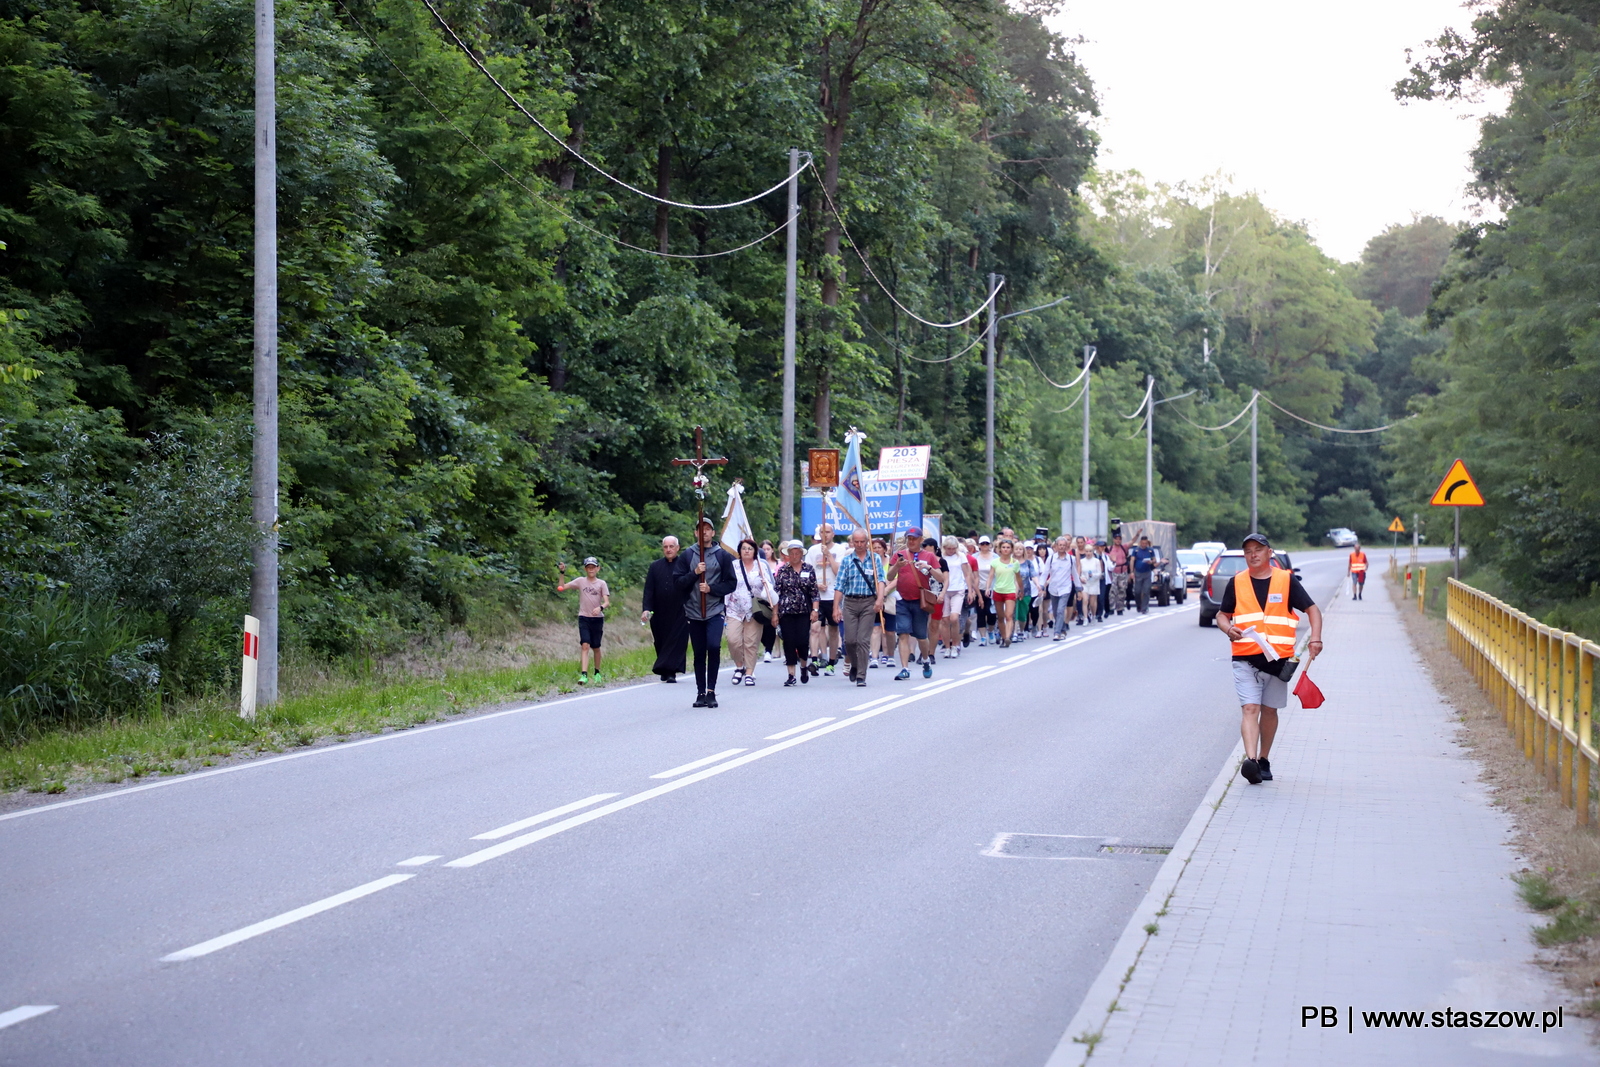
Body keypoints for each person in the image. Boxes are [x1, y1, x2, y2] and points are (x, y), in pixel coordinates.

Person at [1214, 532, 1324, 785]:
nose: (1253, 555)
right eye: (1248, 551)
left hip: (1278, 661)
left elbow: (1312, 609)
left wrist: (1315, 638)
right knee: (1250, 708)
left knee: (1269, 710)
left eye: (1258, 550)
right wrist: (1227, 628)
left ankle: (1264, 759)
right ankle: (1251, 762)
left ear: (1269, 552)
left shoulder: (1286, 581)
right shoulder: (1237, 582)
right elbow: (1223, 615)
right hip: (1244, 658)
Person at [674, 518, 738, 708]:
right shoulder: (687, 555)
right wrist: (694, 573)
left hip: (714, 610)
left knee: (713, 646)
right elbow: (678, 582)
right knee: (699, 651)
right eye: (700, 530)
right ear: (695, 533)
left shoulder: (722, 556)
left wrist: (711, 589)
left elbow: (731, 583)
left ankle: (712, 690)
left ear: (713, 533)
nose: (704, 533)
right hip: (694, 611)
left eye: (708, 529)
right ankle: (700, 692)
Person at [886, 527, 942, 680]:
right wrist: (897, 566)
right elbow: (889, 576)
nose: (911, 541)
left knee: (921, 636)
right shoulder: (899, 555)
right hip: (902, 600)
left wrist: (929, 568)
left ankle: (925, 660)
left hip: (920, 601)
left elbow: (941, 578)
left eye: (914, 538)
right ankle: (905, 669)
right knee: (903, 634)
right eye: (909, 538)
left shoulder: (929, 556)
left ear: (920, 540)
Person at [835, 528, 886, 687]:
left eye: (862, 542)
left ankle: (861, 675)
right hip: (849, 603)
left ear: (867, 542)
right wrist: (836, 606)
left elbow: (881, 581)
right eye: (856, 542)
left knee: (863, 640)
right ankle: (854, 664)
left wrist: (879, 599)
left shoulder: (875, 558)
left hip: (868, 603)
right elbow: (839, 585)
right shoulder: (847, 560)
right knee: (849, 640)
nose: (859, 545)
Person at [726, 538, 775, 687]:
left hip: (754, 610)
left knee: (751, 643)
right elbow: (727, 584)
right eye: (744, 548)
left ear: (755, 552)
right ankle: (739, 666)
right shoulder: (733, 566)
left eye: (750, 548)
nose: (747, 551)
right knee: (733, 640)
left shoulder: (761, 566)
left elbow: (770, 588)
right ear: (739, 551)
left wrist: (765, 581)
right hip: (734, 608)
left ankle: (749, 673)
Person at [641, 535, 688, 683]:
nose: (668, 550)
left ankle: (671, 671)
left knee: (676, 640)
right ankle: (664, 669)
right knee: (660, 640)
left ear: (677, 548)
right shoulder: (655, 566)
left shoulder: (684, 564)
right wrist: (646, 609)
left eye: (671, 546)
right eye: (666, 547)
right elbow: (649, 590)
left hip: (680, 610)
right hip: (659, 610)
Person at [556, 556, 610, 685]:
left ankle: (597, 673)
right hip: (584, 617)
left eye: (593, 567)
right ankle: (584, 675)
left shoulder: (601, 583)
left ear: (598, 568)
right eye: (588, 567)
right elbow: (562, 587)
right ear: (585, 569)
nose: (591, 569)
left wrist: (600, 607)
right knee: (585, 645)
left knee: (596, 647)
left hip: (597, 619)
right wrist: (562, 573)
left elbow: (607, 602)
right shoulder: (580, 581)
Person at [773, 540, 820, 685]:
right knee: (789, 642)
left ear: (801, 554)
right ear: (788, 555)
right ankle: (791, 674)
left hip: (804, 611)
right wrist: (775, 613)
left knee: (802, 641)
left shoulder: (809, 569)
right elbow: (776, 593)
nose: (794, 556)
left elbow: (814, 592)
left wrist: (815, 610)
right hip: (786, 611)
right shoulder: (782, 571)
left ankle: (804, 666)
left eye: (797, 553)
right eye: (791, 553)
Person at [806, 523, 843, 676]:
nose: (825, 535)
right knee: (815, 628)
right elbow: (806, 573)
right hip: (817, 596)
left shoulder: (840, 550)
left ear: (833, 534)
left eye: (827, 532)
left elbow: (838, 571)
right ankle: (814, 659)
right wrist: (815, 584)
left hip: (833, 595)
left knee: (833, 630)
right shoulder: (812, 551)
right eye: (822, 532)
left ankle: (831, 663)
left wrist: (828, 554)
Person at [938, 535, 973, 658]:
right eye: (949, 548)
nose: (951, 551)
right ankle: (947, 646)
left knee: (954, 618)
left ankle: (955, 644)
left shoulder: (961, 556)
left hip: (958, 589)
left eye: (953, 548)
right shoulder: (941, 557)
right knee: (945, 620)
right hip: (944, 590)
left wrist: (970, 590)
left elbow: (967, 574)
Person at [985, 538, 1023, 647]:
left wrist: (1021, 589)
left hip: (1010, 591)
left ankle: (1007, 637)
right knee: (1000, 616)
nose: (1005, 549)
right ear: (1000, 549)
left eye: (1008, 547)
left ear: (1011, 550)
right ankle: (1003, 637)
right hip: (998, 590)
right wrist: (988, 588)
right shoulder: (995, 562)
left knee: (1009, 615)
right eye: (1003, 547)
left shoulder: (1014, 563)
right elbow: (991, 576)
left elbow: (1018, 578)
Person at [1043, 536, 1078, 639]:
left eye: (1064, 545)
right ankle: (1062, 629)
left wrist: (1079, 588)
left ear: (1067, 546)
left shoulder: (1071, 559)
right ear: (1056, 546)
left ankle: (1057, 632)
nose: (1062, 547)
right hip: (1053, 588)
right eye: (1060, 545)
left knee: (1060, 610)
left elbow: (1075, 574)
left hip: (1066, 588)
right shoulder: (1051, 558)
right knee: (1055, 611)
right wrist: (1041, 585)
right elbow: (1045, 573)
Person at [972, 535, 997, 645]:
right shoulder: (975, 557)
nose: (985, 546)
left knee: (991, 612)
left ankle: (990, 630)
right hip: (979, 588)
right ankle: (982, 637)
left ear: (990, 545)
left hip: (992, 588)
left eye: (987, 544)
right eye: (982, 544)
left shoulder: (995, 557)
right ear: (979, 546)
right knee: (981, 612)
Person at [758, 540, 780, 659]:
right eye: (764, 549)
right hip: (759, 598)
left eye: (768, 549)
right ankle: (767, 646)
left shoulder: (778, 564)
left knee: (772, 624)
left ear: (772, 550)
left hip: (773, 596)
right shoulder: (757, 565)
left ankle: (771, 650)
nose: (766, 552)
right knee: (761, 622)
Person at [1130, 534, 1159, 614]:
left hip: (1147, 572)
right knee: (1137, 591)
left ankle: (1144, 607)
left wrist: (1151, 561)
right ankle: (1139, 605)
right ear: (1140, 543)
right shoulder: (1136, 550)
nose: (1144, 545)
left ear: (1147, 543)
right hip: (1138, 572)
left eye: (1145, 543)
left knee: (1146, 591)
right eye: (1142, 543)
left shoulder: (1150, 550)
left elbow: (1154, 560)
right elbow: (1132, 561)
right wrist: (1131, 571)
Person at [1080, 539, 1104, 624]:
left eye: (1090, 551)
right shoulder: (1082, 561)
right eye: (1086, 551)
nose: (1088, 553)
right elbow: (1080, 572)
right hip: (1085, 583)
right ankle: (1085, 618)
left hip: (1094, 582)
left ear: (1092, 552)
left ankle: (1093, 615)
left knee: (1092, 602)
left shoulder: (1096, 561)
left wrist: (1093, 576)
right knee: (1085, 600)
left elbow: (1099, 573)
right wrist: (1082, 578)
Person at [1107, 532, 1130, 615]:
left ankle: (1120, 608)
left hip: (1123, 572)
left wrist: (1137, 535)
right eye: (1116, 539)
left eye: (1119, 539)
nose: (1118, 540)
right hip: (1113, 572)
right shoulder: (1109, 549)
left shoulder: (1124, 548)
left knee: (1122, 590)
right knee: (1112, 591)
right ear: (1113, 540)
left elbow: (1131, 542)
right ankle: (1111, 608)